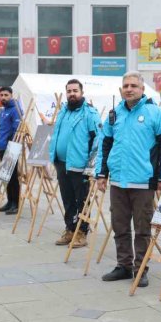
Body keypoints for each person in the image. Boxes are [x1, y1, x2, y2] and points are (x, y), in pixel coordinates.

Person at [95, 71, 161, 287]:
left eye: (133, 86)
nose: (129, 89)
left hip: (143, 181)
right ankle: (124, 265)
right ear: (121, 89)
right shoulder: (114, 114)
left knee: (142, 228)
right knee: (119, 225)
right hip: (118, 181)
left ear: (142, 89)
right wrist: (101, 173)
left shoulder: (155, 113)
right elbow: (105, 144)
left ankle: (141, 269)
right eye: (126, 86)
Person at [49, 79, 101, 248]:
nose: (72, 94)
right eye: (69, 91)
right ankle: (70, 229)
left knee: (82, 201)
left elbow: (97, 140)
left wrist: (91, 166)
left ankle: (82, 232)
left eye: (75, 91)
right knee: (67, 200)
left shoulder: (90, 113)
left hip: (80, 166)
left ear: (82, 92)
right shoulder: (63, 111)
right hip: (61, 163)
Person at [0, 86, 22, 214]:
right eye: (1, 95)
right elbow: (1, 131)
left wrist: (10, 146)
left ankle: (15, 203)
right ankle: (9, 201)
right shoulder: (3, 111)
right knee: (6, 177)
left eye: (6, 95)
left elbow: (16, 131)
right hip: (2, 147)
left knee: (13, 177)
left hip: (11, 148)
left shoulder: (15, 110)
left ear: (11, 95)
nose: (3, 97)